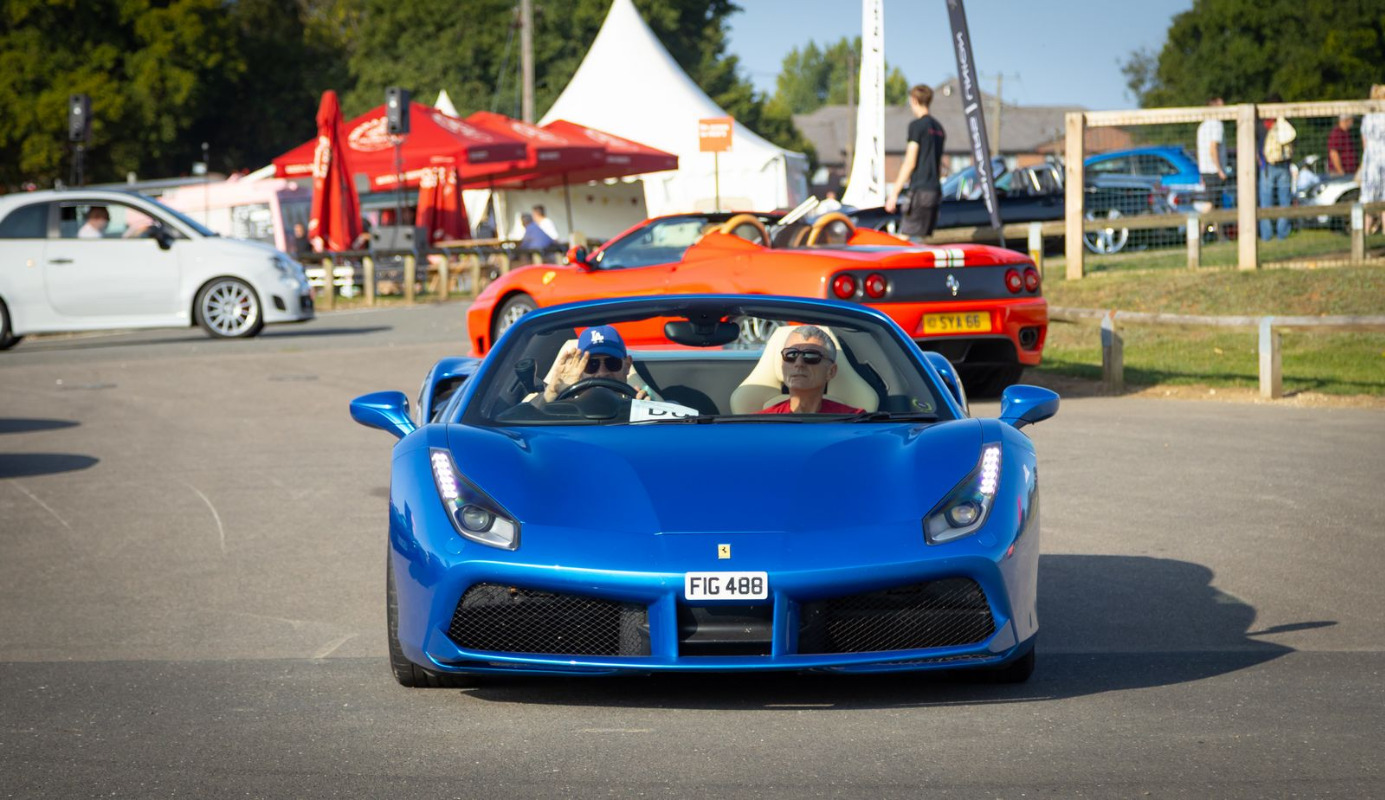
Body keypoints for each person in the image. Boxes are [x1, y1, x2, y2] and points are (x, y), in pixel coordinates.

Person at [885, 85, 946, 242]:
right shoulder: (939, 129)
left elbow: (910, 162)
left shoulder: (917, 126)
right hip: (935, 192)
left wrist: (894, 194)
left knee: (904, 239)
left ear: (914, 100)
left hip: (920, 190)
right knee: (921, 239)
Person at [758, 326, 863, 414]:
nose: (799, 364)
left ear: (831, 371)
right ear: (782, 366)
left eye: (810, 356)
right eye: (791, 355)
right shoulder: (760, 424)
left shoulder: (855, 421)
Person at [535, 325, 648, 405]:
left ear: (627, 365)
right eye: (591, 364)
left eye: (612, 363)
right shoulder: (563, 408)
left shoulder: (637, 407)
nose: (602, 373)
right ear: (579, 368)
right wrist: (552, 394)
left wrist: (647, 414)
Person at [1258, 95, 1294, 241]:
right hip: (1268, 166)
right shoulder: (1262, 125)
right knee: (1269, 202)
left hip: (1280, 166)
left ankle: (1280, 233)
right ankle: (1269, 234)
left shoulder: (1283, 124)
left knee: (1281, 200)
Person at [1358, 85, 1385, 235]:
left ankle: (1365, 231)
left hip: (1371, 160)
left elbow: (1365, 142)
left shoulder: (1368, 117)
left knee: (1368, 195)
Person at [1196, 97, 1227, 210]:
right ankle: (1197, 221)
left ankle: (1212, 223)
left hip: (1205, 170)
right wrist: (1220, 170)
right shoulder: (1217, 124)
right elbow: (1213, 148)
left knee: (1216, 205)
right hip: (1214, 171)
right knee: (1211, 203)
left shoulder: (1203, 125)